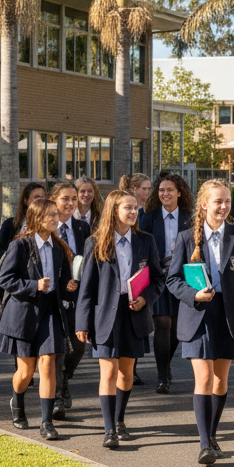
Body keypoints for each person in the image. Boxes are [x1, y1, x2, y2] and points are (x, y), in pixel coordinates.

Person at [166, 179, 234, 466]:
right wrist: (194, 295)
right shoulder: (186, 238)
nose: (224, 206)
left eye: (227, 201)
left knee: (220, 380)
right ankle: (204, 444)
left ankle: (212, 435)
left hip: (227, 317)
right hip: (198, 316)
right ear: (204, 204)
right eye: (218, 201)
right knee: (203, 378)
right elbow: (172, 280)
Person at [76, 190, 164, 448]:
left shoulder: (146, 240)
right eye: (128, 207)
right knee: (108, 371)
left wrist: (145, 298)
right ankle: (108, 430)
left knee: (126, 372)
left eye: (136, 208)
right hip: (105, 315)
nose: (134, 212)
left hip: (134, 314)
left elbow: (158, 278)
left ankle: (119, 420)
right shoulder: (95, 243)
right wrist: (82, 322)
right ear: (114, 210)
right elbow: (87, 287)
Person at [0, 197, 78, 440]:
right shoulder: (20, 246)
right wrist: (34, 285)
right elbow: (6, 279)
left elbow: (60, 282)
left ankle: (46, 422)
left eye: (56, 214)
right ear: (35, 218)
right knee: (26, 370)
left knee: (48, 364)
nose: (56, 218)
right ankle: (17, 402)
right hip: (23, 314)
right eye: (50, 215)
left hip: (51, 311)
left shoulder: (60, 247)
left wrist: (68, 286)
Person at [139, 171, 194, 393]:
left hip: (182, 277)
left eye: (170, 190)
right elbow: (142, 246)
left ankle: (166, 365)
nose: (165, 194)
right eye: (161, 190)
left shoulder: (190, 216)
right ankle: (163, 377)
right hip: (158, 276)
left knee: (176, 328)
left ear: (179, 192)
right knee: (162, 324)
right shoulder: (149, 216)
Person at [47, 180, 91, 417]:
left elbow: (88, 261)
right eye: (65, 198)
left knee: (78, 347)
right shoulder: (46, 226)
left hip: (78, 297)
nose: (71, 203)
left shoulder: (83, 228)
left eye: (74, 199)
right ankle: (57, 394)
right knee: (56, 349)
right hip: (51, 296)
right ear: (54, 200)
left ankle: (64, 378)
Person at [119, 174, 154, 386]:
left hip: (138, 285)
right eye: (144, 188)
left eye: (150, 188)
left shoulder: (145, 217)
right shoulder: (129, 211)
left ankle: (133, 368)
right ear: (134, 188)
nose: (147, 193)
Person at [0, 181, 46, 261]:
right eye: (36, 197)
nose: (41, 200)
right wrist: (12, 262)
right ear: (26, 201)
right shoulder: (10, 224)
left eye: (43, 197)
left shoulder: (52, 224)